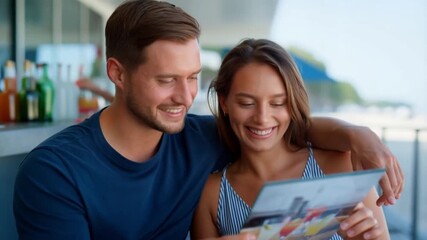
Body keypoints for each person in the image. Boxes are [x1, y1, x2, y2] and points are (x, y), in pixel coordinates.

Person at [13, 1, 402, 239]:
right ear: (117, 73)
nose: (185, 98)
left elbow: (275, 128)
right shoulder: (54, 172)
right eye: (166, 81)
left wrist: (358, 135)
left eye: (193, 78)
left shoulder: (197, 137)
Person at [191, 38, 389, 240]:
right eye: (246, 103)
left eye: (277, 103)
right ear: (224, 102)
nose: (262, 118)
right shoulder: (211, 194)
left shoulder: (341, 168)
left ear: (292, 104)